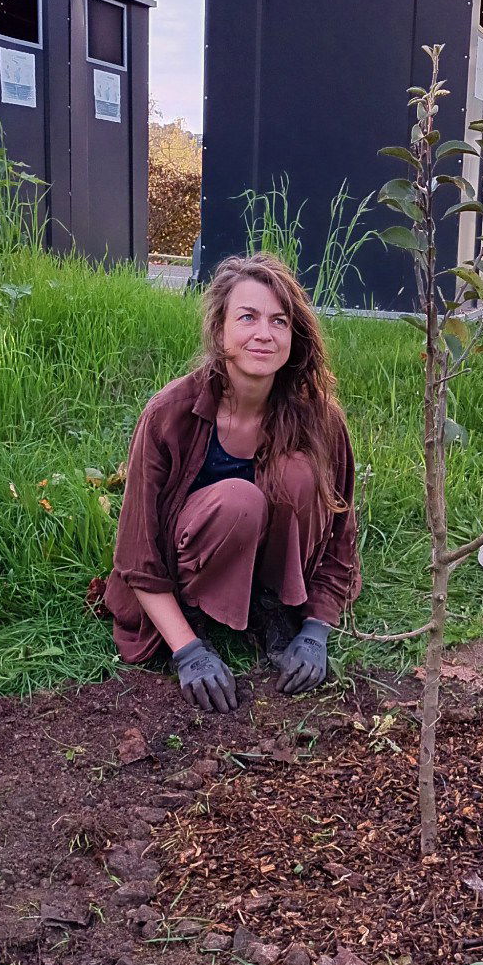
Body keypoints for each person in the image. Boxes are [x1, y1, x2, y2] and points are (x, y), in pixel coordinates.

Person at [105, 251, 360, 712]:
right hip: (186, 577)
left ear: (293, 336)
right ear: (220, 332)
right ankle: (199, 619)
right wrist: (186, 650)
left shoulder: (320, 419)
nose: (263, 333)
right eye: (247, 317)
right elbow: (136, 554)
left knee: (297, 475)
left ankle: (272, 607)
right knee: (239, 499)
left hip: (273, 575)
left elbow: (340, 539)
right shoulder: (169, 415)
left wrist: (316, 629)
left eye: (279, 321)